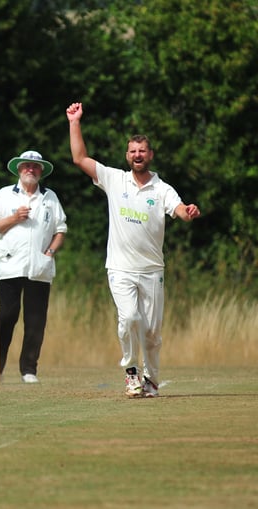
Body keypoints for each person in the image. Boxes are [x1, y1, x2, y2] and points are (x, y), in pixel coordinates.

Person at [66, 102, 201, 398]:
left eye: (142, 151)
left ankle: (151, 379)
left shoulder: (161, 188)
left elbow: (177, 209)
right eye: (133, 151)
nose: (137, 155)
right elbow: (79, 158)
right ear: (127, 155)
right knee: (128, 318)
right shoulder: (115, 179)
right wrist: (74, 121)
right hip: (120, 267)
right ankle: (131, 373)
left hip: (152, 270)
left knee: (152, 332)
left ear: (150, 155)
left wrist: (186, 212)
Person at [0, 150, 67, 384]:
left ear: (41, 171)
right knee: (7, 316)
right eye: (26, 166)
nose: (31, 169)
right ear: (19, 170)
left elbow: (61, 229)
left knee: (36, 320)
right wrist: (13, 218)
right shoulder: (4, 195)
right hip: (10, 265)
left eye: (35, 166)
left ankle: (29, 369)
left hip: (40, 267)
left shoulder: (50, 197)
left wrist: (49, 253)